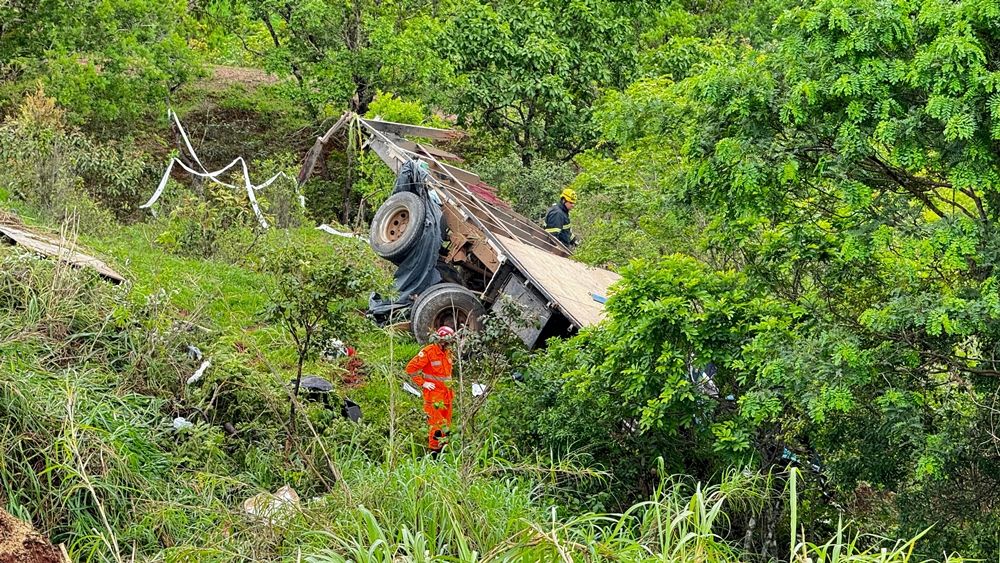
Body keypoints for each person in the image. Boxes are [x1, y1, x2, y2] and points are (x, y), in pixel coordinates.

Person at [406, 326, 456, 454]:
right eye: (448, 342)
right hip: (434, 396)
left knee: (447, 425)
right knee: (436, 426)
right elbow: (410, 368)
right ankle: (434, 452)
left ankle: (444, 450)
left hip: (447, 395)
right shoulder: (428, 352)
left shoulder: (448, 352)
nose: (450, 345)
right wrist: (423, 383)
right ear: (441, 340)